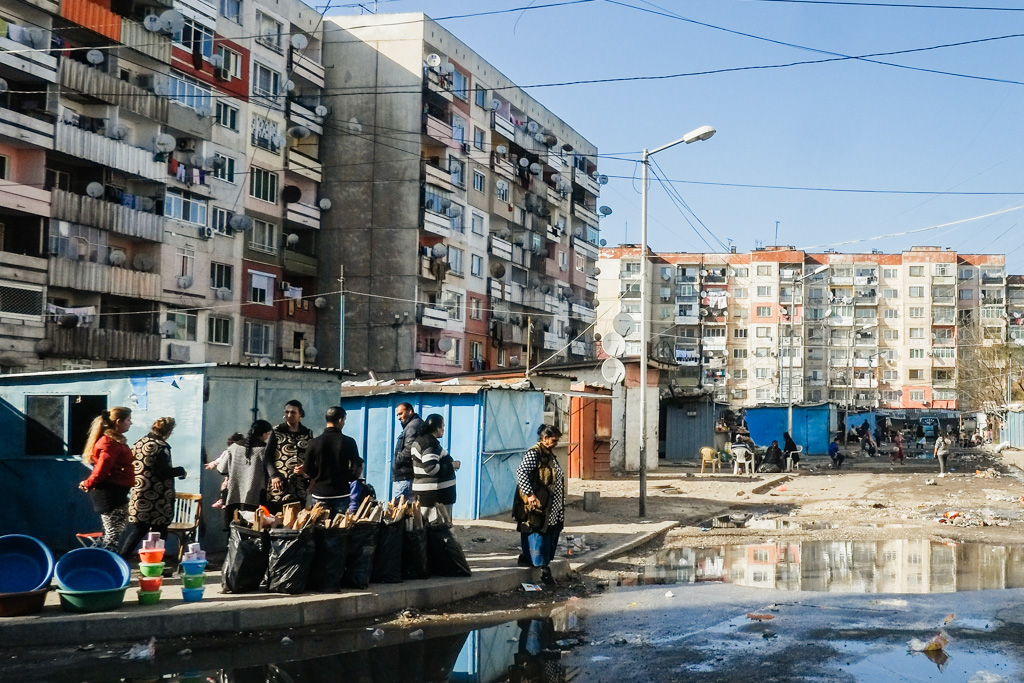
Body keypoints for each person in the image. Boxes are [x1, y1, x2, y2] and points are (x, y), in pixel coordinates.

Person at [121, 418, 185, 557]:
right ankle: (155, 562)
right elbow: (162, 472)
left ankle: (122, 560)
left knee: (139, 530)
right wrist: (180, 471)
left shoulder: (139, 443)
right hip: (158, 497)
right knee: (160, 531)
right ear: (168, 431)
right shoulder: (162, 447)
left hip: (139, 493)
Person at [513, 425, 564, 585]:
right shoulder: (534, 453)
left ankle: (531, 559)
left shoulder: (548, 454)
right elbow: (521, 472)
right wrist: (530, 495)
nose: (556, 443)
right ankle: (543, 568)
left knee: (550, 530)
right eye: (554, 440)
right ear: (545, 438)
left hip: (551, 506)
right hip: (538, 503)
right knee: (537, 530)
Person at [78, 407, 134, 551]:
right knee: (113, 534)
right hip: (110, 493)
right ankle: (107, 563)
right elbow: (102, 468)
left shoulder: (115, 442)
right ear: (118, 422)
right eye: (128, 420)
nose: (130, 423)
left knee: (112, 532)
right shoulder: (109, 443)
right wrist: (89, 483)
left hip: (118, 492)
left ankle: (93, 557)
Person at [303, 406, 363, 516]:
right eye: (344, 420)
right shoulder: (348, 442)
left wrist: (317, 477)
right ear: (340, 420)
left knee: (320, 527)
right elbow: (357, 466)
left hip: (320, 493)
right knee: (340, 528)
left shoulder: (314, 442)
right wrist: (348, 478)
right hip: (341, 492)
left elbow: (306, 468)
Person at [217, 419, 274, 524]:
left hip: (233, 499)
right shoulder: (264, 450)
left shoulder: (233, 447)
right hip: (255, 498)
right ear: (265, 434)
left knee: (234, 533)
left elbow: (221, 469)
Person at [264, 400, 314, 513]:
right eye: (287, 412)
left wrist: (306, 470)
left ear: (300, 414)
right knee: (277, 518)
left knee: (297, 518)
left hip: (300, 485)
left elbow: (312, 457)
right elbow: (267, 456)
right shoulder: (277, 432)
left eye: (293, 412)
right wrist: (274, 475)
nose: (289, 415)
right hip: (280, 484)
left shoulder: (307, 433)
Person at [411, 413, 459, 526]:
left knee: (427, 529)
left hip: (429, 494)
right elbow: (431, 468)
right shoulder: (429, 443)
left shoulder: (422, 440)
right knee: (439, 530)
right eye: (443, 426)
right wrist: (453, 465)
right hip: (435, 496)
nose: (443, 429)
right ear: (437, 427)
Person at [391, 402, 423, 502]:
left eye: (401, 413)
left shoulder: (412, 427)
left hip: (406, 476)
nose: (398, 418)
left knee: (396, 510)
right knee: (407, 509)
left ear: (409, 411)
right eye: (397, 415)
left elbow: (409, 449)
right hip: (409, 475)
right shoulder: (415, 424)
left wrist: (398, 461)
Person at [206, 432, 244, 509]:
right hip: (232, 475)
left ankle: (224, 501)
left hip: (238, 475)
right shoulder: (228, 452)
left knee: (228, 487)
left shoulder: (236, 452)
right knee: (225, 486)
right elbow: (220, 460)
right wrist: (212, 464)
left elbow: (220, 460)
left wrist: (213, 464)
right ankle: (223, 501)